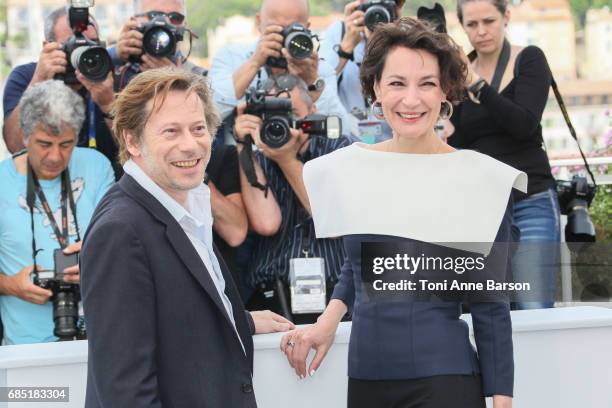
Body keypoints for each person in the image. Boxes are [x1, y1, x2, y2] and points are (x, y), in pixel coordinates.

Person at [280, 18, 522, 408]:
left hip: (444, 381)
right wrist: (327, 321)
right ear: (375, 87)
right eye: (397, 83)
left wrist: (502, 401)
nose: (412, 100)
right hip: (365, 380)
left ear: (445, 90)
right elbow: (361, 262)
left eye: (426, 83)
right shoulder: (351, 168)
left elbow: (491, 305)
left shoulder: (480, 178)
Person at [80, 68, 293, 407]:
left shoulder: (188, 202)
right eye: (170, 132)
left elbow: (175, 313)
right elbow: (125, 390)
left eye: (198, 129)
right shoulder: (120, 232)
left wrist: (240, 321)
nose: (190, 144)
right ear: (131, 140)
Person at [448, 0, 560, 309]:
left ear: (506, 17)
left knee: (534, 307)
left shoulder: (529, 59)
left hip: (530, 200)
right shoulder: (459, 72)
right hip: (481, 209)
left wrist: (477, 85)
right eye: (472, 24)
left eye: (489, 21)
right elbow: (458, 141)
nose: (481, 31)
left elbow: (523, 124)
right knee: (490, 310)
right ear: (463, 27)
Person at [0, 80, 114, 345]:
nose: (55, 156)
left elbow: (123, 246)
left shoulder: (97, 167)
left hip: (99, 343)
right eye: (44, 144)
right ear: (25, 136)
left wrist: (95, 262)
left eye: (66, 144)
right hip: (26, 353)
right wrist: (11, 286)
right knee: (31, 392)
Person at [234, 73, 353, 323]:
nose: (282, 125)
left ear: (313, 111)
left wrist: (287, 160)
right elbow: (266, 223)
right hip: (272, 296)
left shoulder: (337, 149)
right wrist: (242, 145)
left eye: (291, 114)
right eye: (272, 115)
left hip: (336, 297)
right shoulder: (255, 154)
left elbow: (333, 223)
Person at [2, 7, 118, 175]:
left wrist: (108, 104)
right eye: (73, 43)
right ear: (47, 47)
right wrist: (39, 81)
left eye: (91, 43)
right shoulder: (27, 77)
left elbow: (135, 151)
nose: (84, 52)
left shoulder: (110, 77)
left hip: (104, 187)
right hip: (44, 187)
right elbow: (15, 145)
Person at [208, 0, 352, 134]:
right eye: (276, 28)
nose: (284, 36)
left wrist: (312, 82)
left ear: (306, 28)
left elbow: (341, 131)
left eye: (292, 29)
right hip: (245, 157)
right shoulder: (230, 57)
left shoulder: (320, 69)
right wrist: (254, 62)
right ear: (259, 22)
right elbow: (209, 114)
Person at [320, 0, 406, 141]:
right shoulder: (339, 32)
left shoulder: (405, 36)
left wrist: (386, 44)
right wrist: (345, 49)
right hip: (347, 143)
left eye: (384, 5)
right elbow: (319, 90)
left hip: (393, 143)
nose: (377, 16)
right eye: (370, 5)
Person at [111, 0, 207, 89]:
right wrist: (114, 54)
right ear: (134, 21)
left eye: (175, 17)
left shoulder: (200, 80)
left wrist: (179, 85)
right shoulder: (111, 70)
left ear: (184, 26)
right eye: (154, 15)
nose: (164, 23)